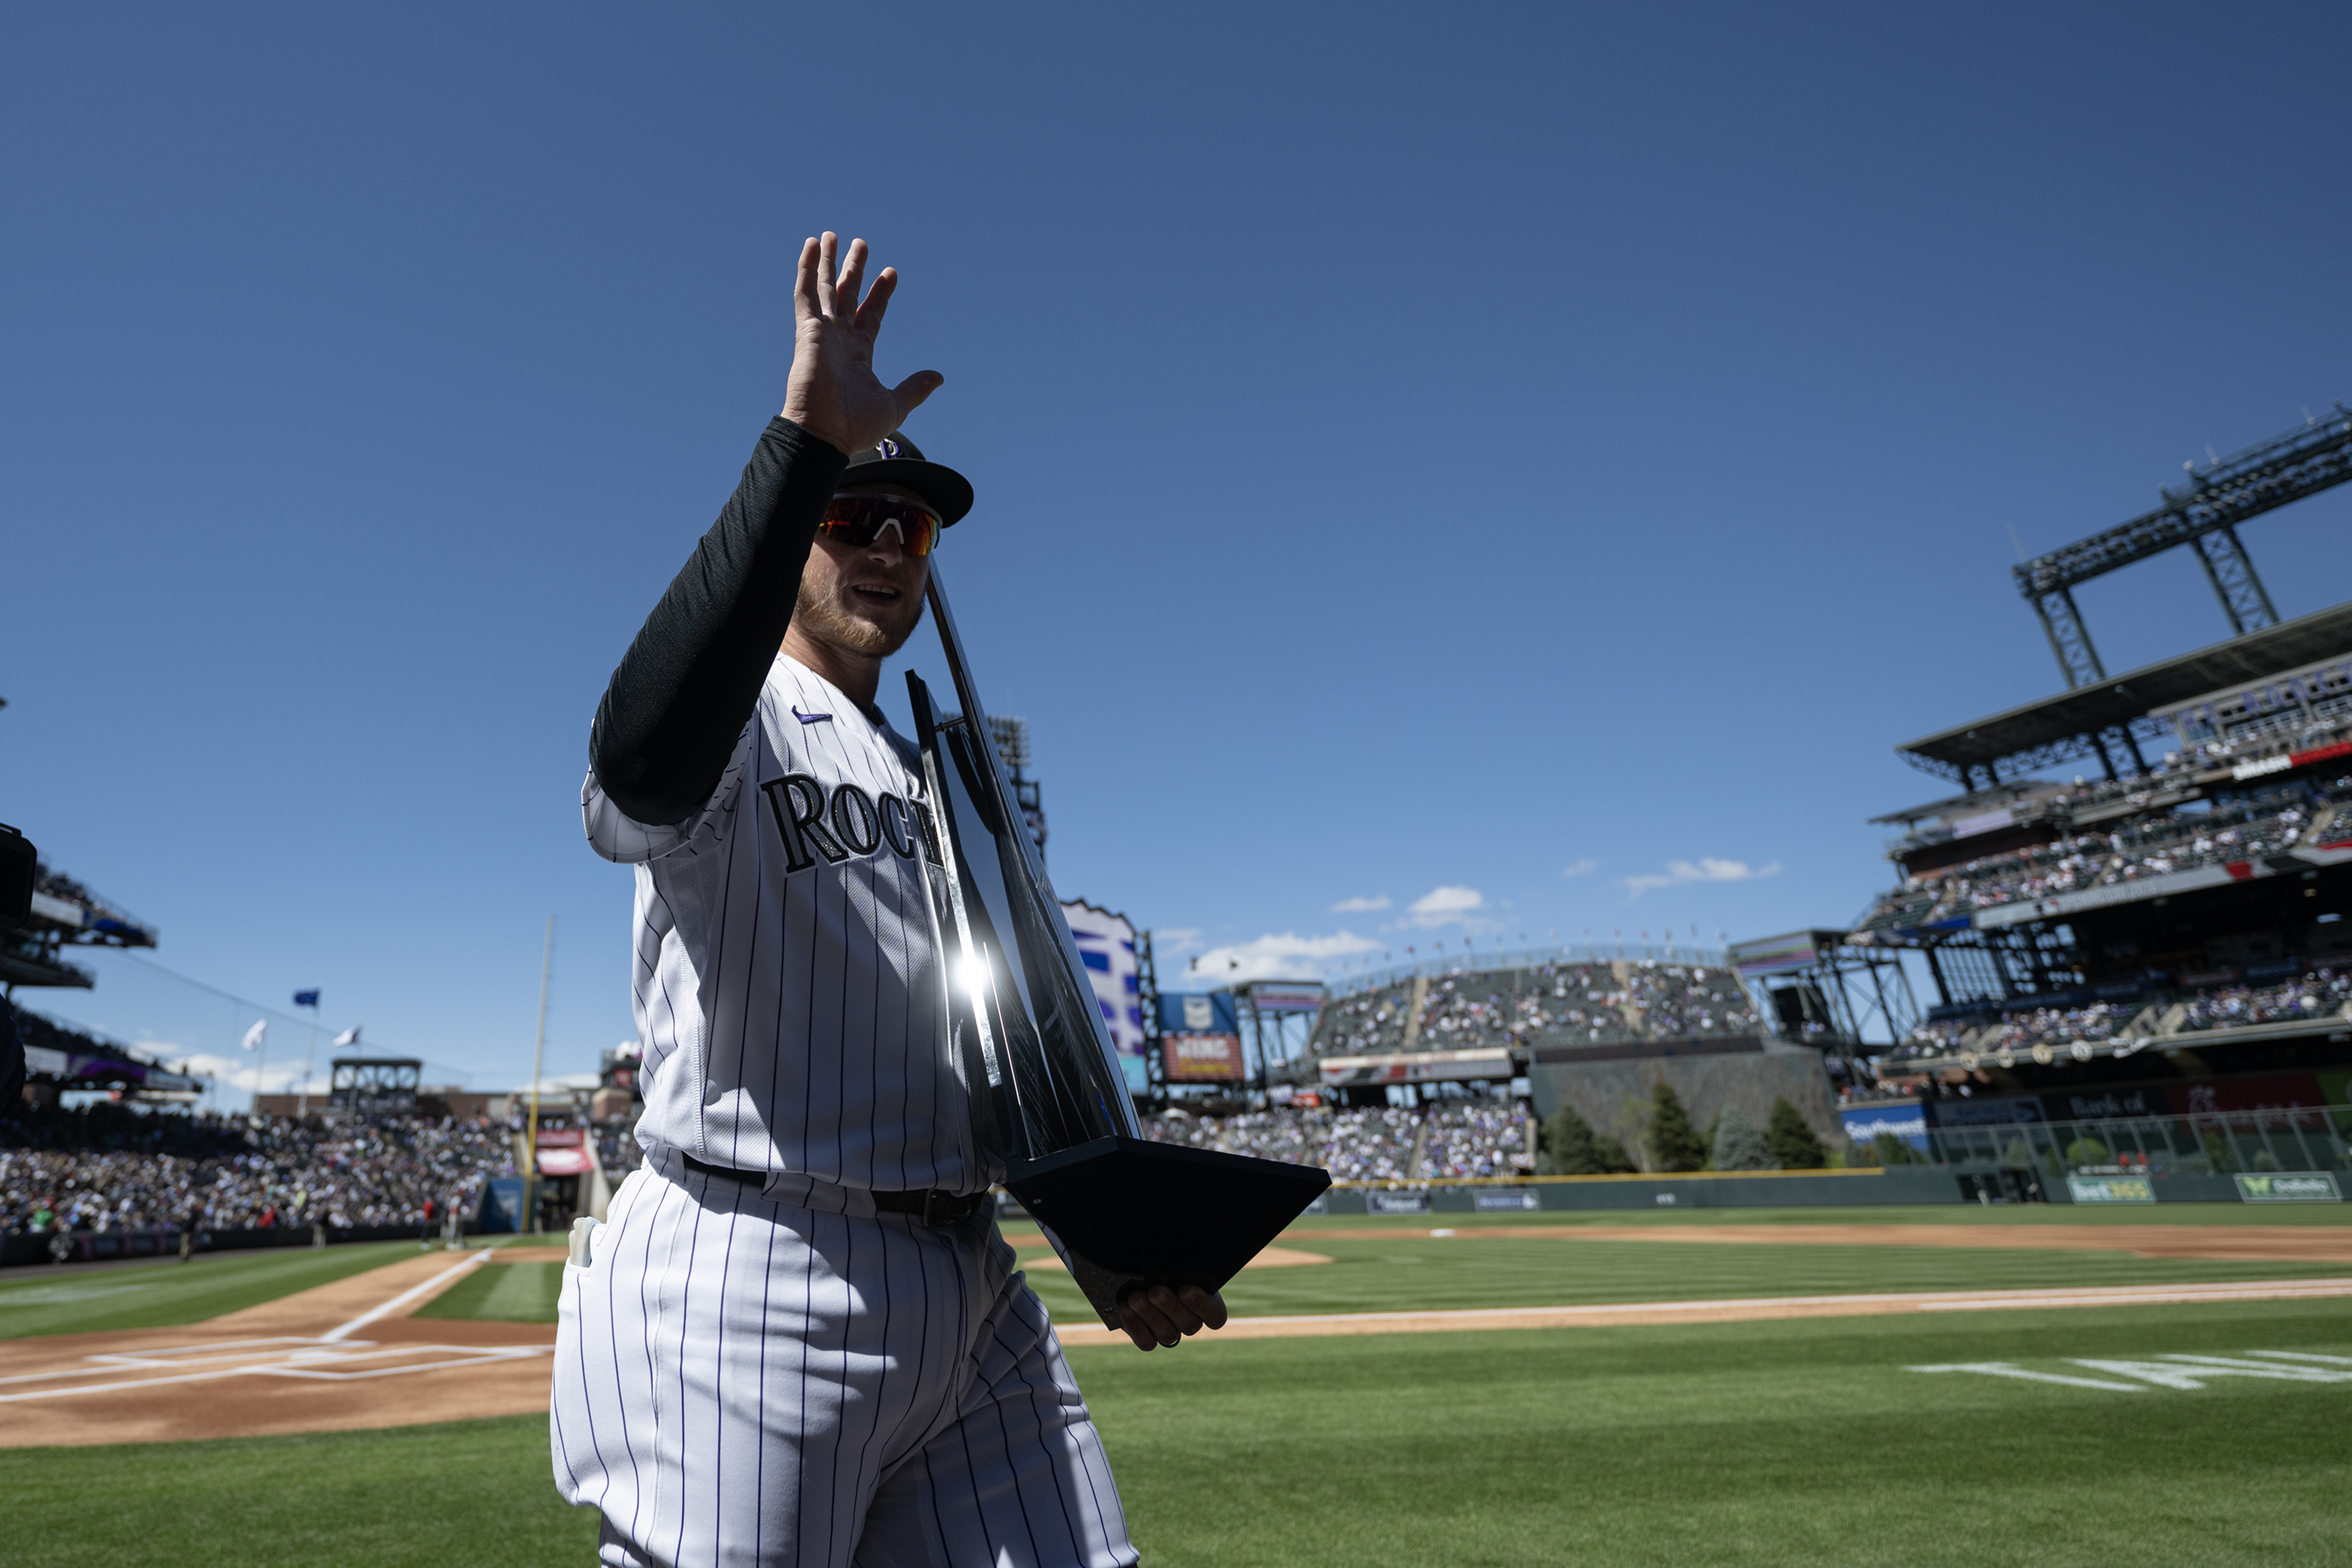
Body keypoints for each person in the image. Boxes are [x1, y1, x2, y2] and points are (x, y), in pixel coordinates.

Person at [551, 234, 1221, 1568]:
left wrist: (1101, 1241)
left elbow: (990, 1062)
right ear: (791, 534)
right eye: (850, 518)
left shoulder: (939, 776)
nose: (886, 546)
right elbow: (634, 758)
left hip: (969, 1280)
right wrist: (802, 439)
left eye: (908, 527)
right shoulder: (737, 723)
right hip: (754, 1270)